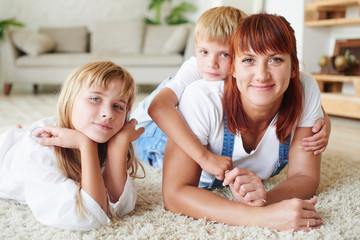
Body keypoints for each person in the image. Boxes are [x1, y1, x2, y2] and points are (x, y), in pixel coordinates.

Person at [162, 13, 323, 231]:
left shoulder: (305, 90)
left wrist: (265, 198)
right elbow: (174, 195)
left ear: (294, 67)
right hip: (159, 133)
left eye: (276, 59)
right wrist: (260, 217)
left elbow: (306, 176)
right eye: (248, 60)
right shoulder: (200, 97)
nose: (261, 75)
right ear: (233, 68)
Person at [131, 6, 331, 181]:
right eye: (203, 52)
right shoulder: (194, 70)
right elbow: (158, 107)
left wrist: (324, 121)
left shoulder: (253, 74)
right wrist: (204, 157)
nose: (212, 63)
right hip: (150, 129)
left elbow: (304, 99)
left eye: (225, 54)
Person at [0, 61, 145, 231]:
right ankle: (13, 133)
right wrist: (85, 144)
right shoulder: (42, 146)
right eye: (95, 98)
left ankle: (16, 131)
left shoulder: (107, 137)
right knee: (11, 140)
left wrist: (117, 148)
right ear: (70, 100)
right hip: (5, 153)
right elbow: (88, 217)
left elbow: (119, 206)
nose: (108, 114)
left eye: (118, 106)